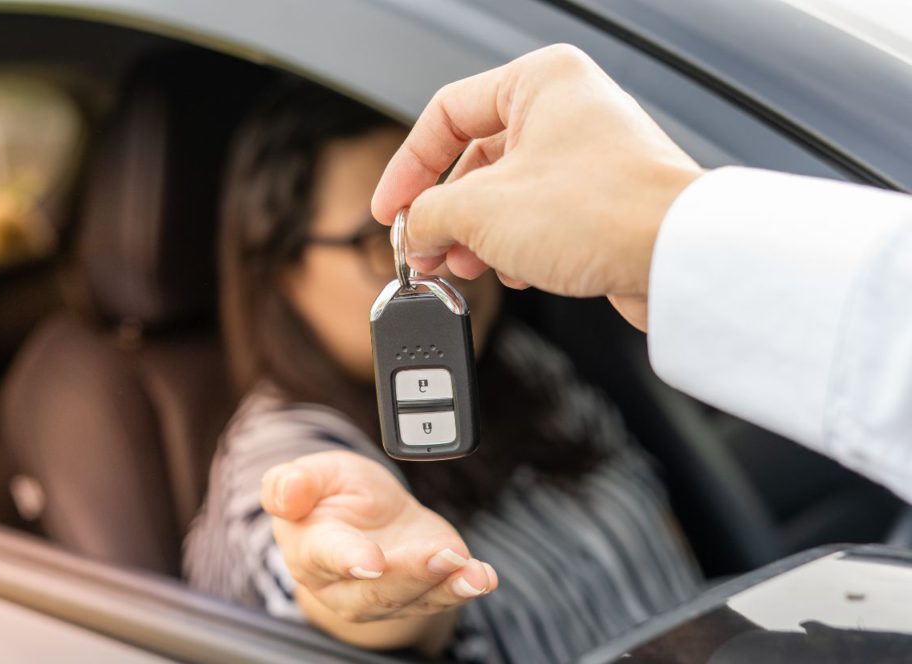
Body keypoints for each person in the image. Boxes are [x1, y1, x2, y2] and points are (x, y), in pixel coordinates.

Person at [185, 79, 701, 662]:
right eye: (386, 239)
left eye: (447, 219)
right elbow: (339, 590)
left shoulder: (517, 361)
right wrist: (380, 582)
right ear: (282, 269)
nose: (435, 267)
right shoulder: (282, 451)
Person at [369, 44, 912, 506]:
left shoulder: (539, 369)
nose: (464, 260)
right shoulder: (303, 442)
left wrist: (659, 233)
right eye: (365, 240)